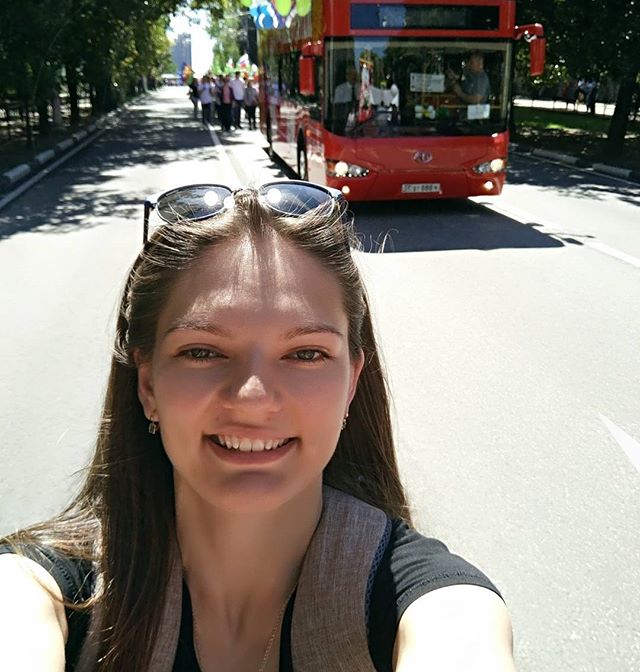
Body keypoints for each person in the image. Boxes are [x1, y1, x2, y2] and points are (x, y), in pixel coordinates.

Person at [0, 181, 516, 671]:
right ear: (148, 383)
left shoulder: (444, 607)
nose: (253, 398)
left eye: (306, 354)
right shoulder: (31, 589)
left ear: (351, 383)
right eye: (202, 352)